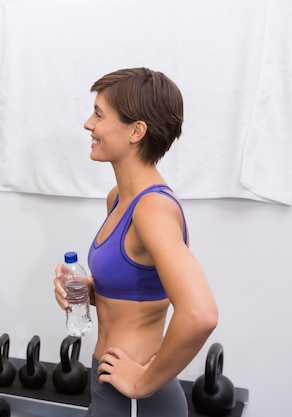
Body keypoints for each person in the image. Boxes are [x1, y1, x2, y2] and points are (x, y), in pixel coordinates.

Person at [53, 67, 218, 417]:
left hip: (137, 400)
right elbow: (137, 293)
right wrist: (85, 293)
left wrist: (142, 384)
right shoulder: (118, 198)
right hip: (109, 386)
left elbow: (201, 313)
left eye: (99, 114)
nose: (88, 124)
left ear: (136, 131)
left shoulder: (152, 209)